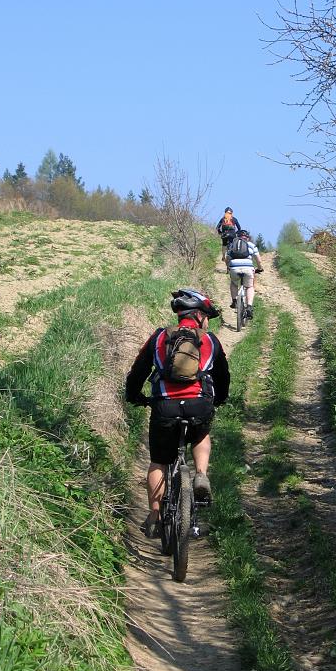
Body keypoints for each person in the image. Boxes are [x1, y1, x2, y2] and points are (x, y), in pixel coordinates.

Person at [124, 288, 230, 538]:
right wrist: (219, 399)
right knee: (201, 435)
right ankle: (201, 475)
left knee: (159, 460)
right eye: (207, 316)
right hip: (198, 404)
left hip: (165, 407)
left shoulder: (160, 337)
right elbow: (223, 375)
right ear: (200, 316)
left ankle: (154, 515)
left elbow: (138, 370)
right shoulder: (210, 340)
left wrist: (134, 396)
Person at [226, 229, 263, 320]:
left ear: (237, 237)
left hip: (234, 267)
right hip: (248, 268)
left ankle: (234, 301)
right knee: (250, 287)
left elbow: (227, 258)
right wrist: (260, 268)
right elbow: (259, 260)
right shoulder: (251, 245)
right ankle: (249, 307)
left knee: (234, 283)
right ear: (247, 237)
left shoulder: (232, 245)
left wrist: (228, 267)